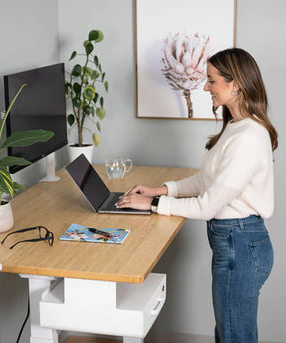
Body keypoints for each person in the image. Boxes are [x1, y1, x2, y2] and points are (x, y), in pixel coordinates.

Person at [116, 48, 278, 343]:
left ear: (236, 84)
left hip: (240, 245)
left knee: (233, 336)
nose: (205, 87)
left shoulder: (247, 138)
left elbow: (207, 206)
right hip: (237, 242)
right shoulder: (238, 126)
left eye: (211, 80)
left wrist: (152, 205)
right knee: (228, 332)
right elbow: (207, 181)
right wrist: (160, 190)